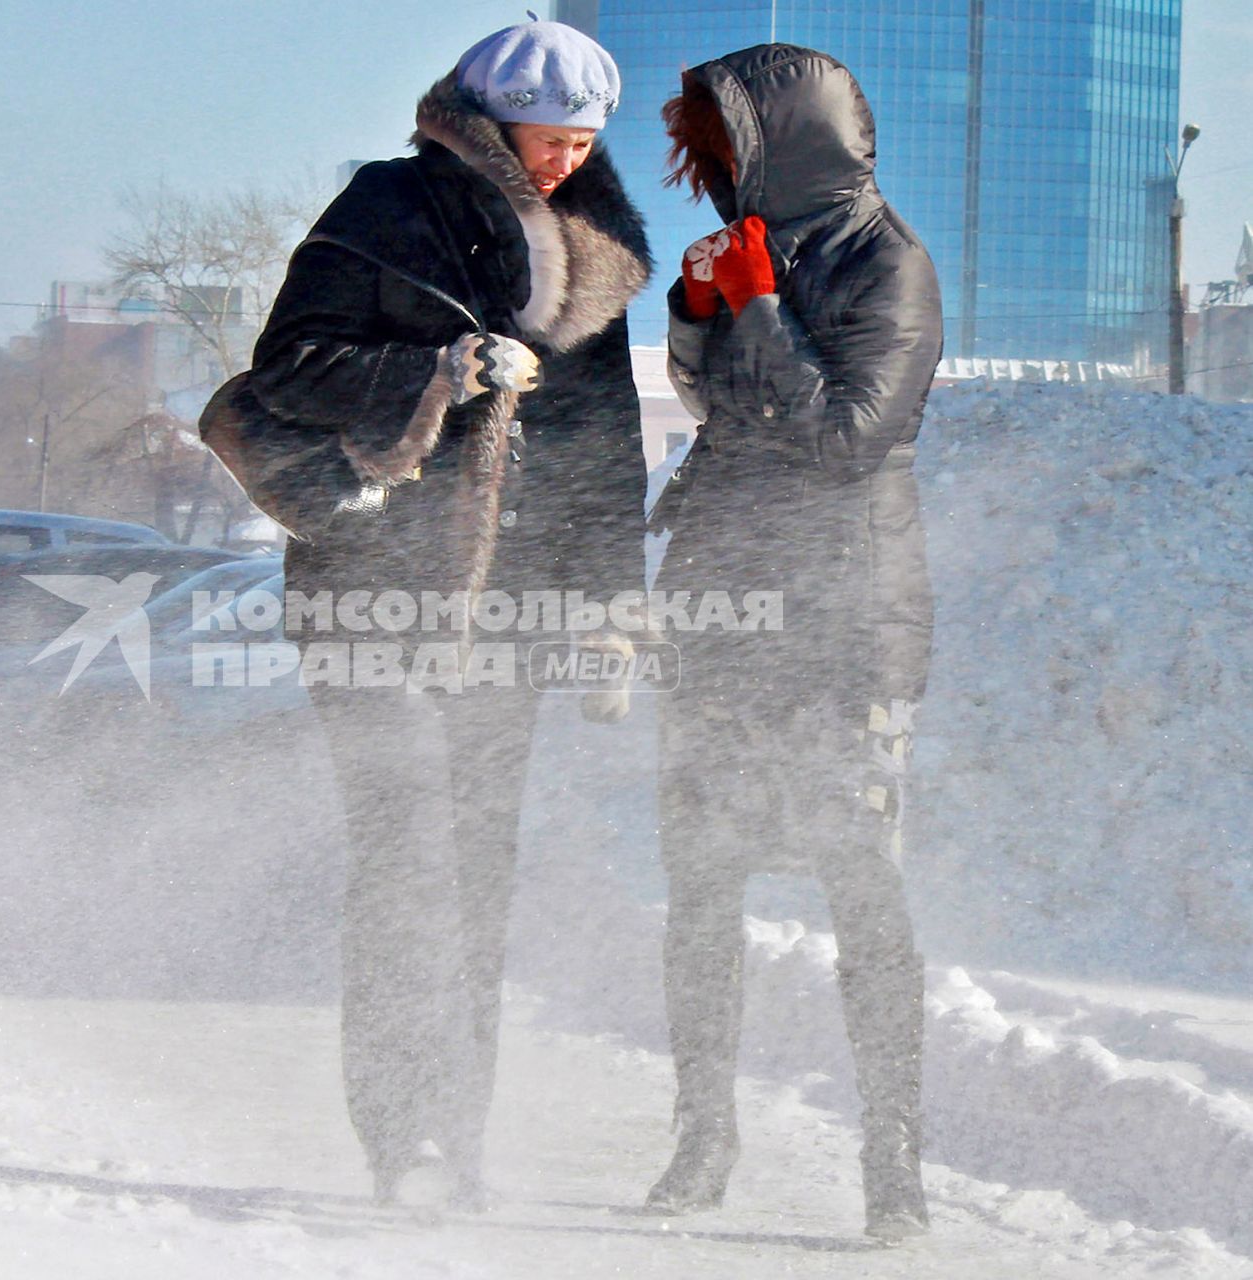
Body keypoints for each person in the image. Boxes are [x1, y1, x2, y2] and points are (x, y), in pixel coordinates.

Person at [245, 20, 650, 1207]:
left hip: (512, 609)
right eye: (547, 138)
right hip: (375, 591)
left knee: (478, 870)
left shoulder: (597, 247)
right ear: (486, 126)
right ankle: (399, 1131)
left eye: (584, 141)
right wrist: (439, 372)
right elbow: (289, 364)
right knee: (408, 857)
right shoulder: (386, 208)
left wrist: (611, 602)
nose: (567, 161)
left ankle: (457, 1136)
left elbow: (603, 439)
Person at [645, 44, 942, 1241]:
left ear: (789, 147)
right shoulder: (755, 249)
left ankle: (896, 1162)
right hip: (720, 617)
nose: (717, 182)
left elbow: (840, 443)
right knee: (700, 891)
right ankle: (701, 1135)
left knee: (862, 893)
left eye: (729, 157)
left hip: (840, 632)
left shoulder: (892, 263)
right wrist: (698, 308)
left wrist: (760, 304)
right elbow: (719, 411)